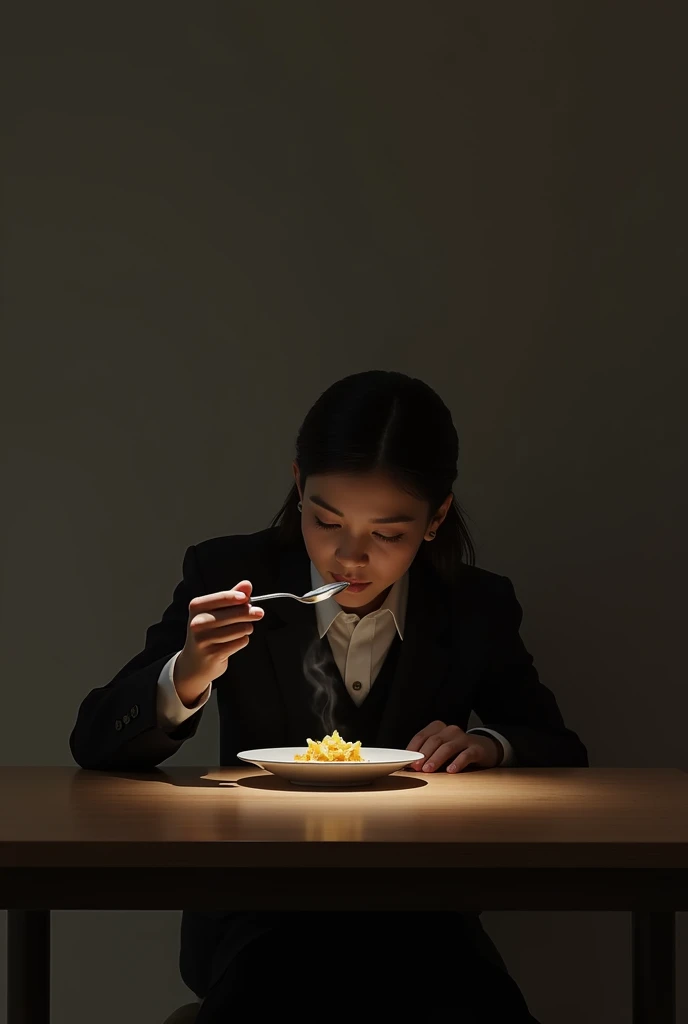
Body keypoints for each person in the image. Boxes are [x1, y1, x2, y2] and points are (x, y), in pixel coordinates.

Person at [70, 370, 587, 1022]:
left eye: (388, 534)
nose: (349, 557)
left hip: (422, 919)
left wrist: (489, 744)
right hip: (259, 916)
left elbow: (560, 747)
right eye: (326, 520)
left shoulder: (473, 606)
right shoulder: (232, 576)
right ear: (297, 485)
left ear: (437, 518)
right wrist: (188, 672)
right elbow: (94, 740)